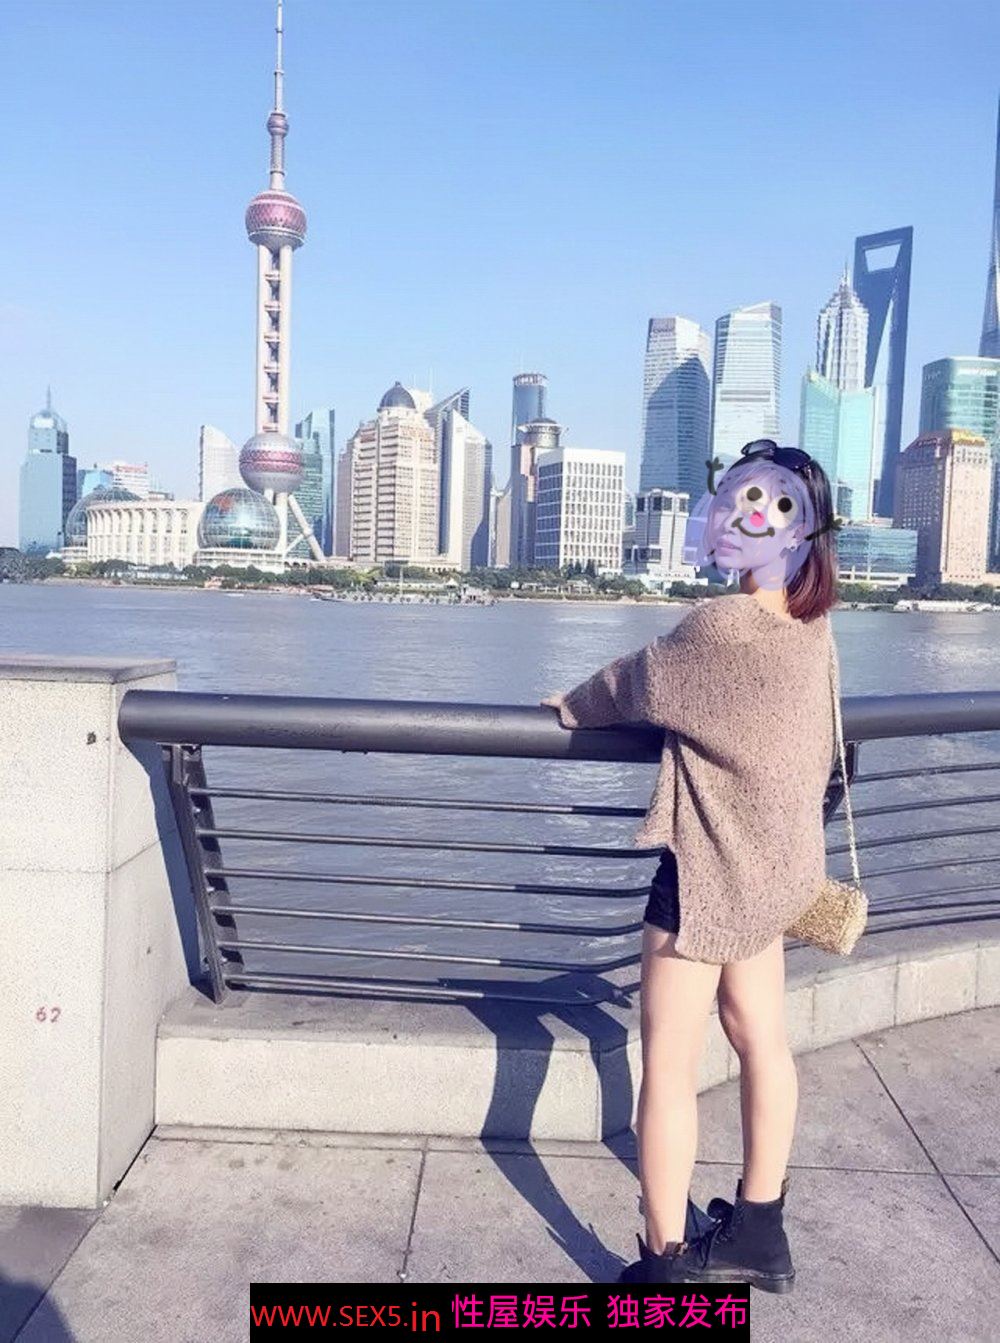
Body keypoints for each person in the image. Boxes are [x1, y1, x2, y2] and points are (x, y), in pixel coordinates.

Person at [542, 440, 842, 1290]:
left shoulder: (720, 626)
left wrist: (566, 705)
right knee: (761, 1040)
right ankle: (760, 1231)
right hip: (776, 869)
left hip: (708, 870)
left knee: (670, 1065)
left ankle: (663, 1265)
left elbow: (632, 684)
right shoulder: (814, 629)